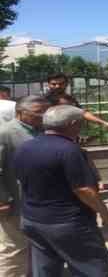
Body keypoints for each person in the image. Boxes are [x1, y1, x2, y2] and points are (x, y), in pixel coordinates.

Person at [15, 105, 108, 277]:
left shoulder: (25, 147)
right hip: (67, 223)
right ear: (73, 123)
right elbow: (83, 190)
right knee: (92, 269)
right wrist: (105, 214)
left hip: (32, 220)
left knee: (45, 270)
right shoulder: (69, 150)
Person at [0, 96, 50, 277]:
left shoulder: (41, 130)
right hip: (13, 200)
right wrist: (2, 200)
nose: (44, 116)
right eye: (39, 113)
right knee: (14, 247)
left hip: (37, 200)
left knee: (33, 244)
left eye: (46, 112)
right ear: (21, 113)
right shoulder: (5, 133)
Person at [44, 73, 108, 130]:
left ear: (66, 84)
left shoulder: (70, 99)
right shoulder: (42, 100)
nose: (57, 86)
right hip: (48, 136)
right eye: (54, 84)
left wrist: (104, 123)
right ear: (48, 84)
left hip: (69, 135)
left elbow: (82, 113)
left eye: (61, 83)